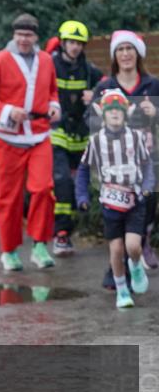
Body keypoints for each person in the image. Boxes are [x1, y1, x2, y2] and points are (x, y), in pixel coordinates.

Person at [0, 13, 61, 272]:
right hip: (8, 137)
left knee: (43, 189)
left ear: (36, 37)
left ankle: (40, 245)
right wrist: (7, 111)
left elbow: (53, 91)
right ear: (14, 35)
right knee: (8, 198)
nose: (24, 39)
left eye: (29, 35)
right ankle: (9, 251)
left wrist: (54, 105)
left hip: (40, 134)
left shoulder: (45, 60)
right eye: (20, 34)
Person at [89, 30, 159, 283]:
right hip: (115, 164)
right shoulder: (105, 87)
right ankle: (115, 270)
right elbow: (94, 122)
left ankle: (140, 246)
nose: (126, 54)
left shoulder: (153, 85)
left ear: (138, 54)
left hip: (146, 161)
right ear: (114, 55)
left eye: (130, 49)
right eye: (120, 49)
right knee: (114, 213)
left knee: (145, 208)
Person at [76, 89, 153, 307]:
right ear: (103, 115)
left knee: (133, 246)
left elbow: (147, 167)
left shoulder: (136, 138)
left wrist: (147, 187)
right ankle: (121, 291)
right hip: (110, 204)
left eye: (119, 110)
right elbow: (82, 170)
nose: (115, 114)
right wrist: (82, 196)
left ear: (126, 113)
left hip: (135, 200)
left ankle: (136, 266)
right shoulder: (96, 141)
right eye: (110, 111)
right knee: (116, 249)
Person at [49, 20, 102, 256]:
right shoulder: (49, 66)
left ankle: (69, 228)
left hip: (81, 135)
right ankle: (62, 234)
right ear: (63, 42)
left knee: (78, 184)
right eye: (71, 42)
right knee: (62, 181)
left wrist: (96, 97)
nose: (75, 47)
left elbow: (110, 94)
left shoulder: (90, 71)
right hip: (56, 132)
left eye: (79, 43)